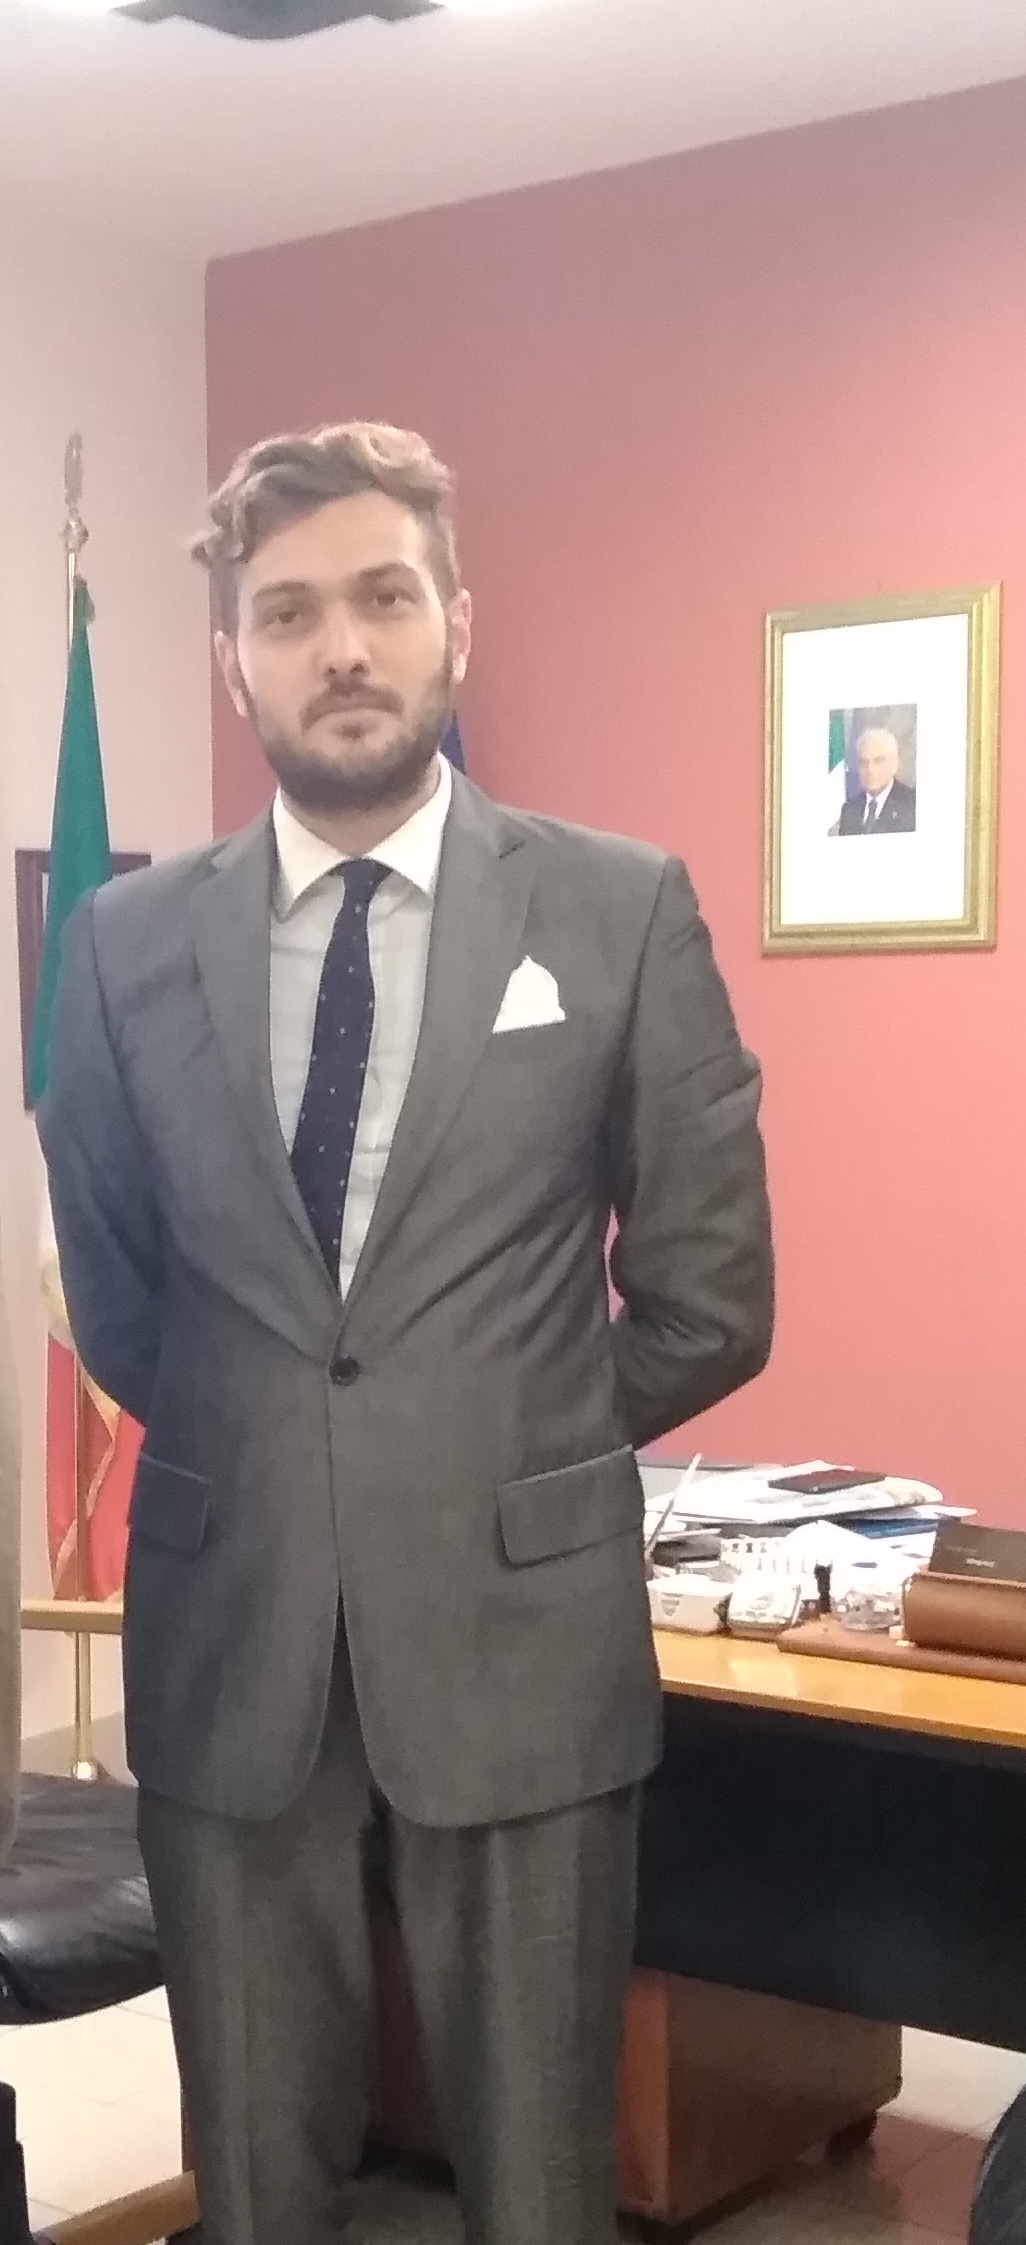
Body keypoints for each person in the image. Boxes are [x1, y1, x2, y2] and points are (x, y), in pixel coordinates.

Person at [38, 422, 774, 2245]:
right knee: (256, 2177)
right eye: (289, 612)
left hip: (524, 1631)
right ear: (235, 659)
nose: (342, 645)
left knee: (538, 2180)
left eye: (381, 594)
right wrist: (290, 1442)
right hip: (231, 1629)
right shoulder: (122, 942)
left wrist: (501, 1433)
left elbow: (708, 1293)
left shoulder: (616, 906)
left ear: (457, 622)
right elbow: (120, 1289)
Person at [835, 725, 917, 835]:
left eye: (878, 761)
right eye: (863, 762)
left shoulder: (912, 804)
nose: (870, 769)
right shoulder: (849, 809)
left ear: (894, 764)